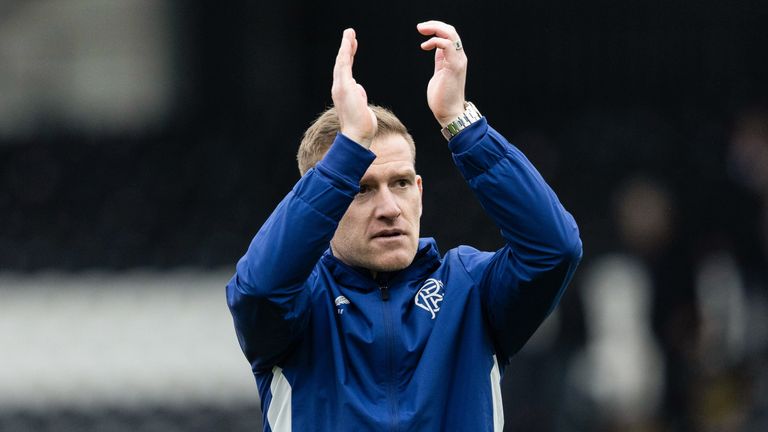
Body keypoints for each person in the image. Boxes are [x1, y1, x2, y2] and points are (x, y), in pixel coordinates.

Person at [226, 20, 582, 431]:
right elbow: (258, 290)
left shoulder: (470, 289)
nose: (390, 208)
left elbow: (554, 249)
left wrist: (459, 121)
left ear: (420, 191)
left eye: (400, 184)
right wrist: (348, 148)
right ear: (327, 199)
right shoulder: (299, 304)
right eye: (361, 189)